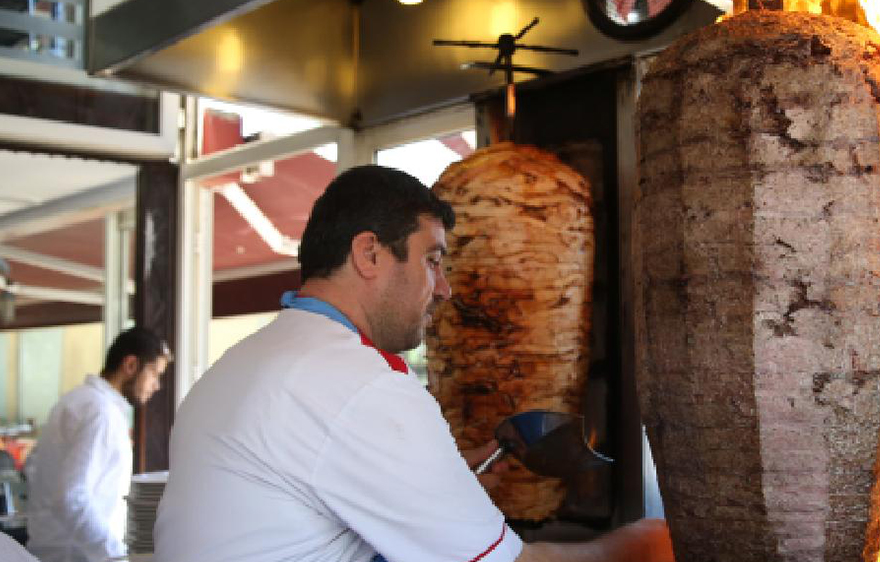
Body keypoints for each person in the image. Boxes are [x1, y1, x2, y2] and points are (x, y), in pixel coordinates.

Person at [155, 166, 673, 562]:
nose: (444, 289)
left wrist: (437, 479)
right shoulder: (359, 384)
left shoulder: (241, 363)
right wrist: (638, 544)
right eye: (432, 261)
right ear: (370, 255)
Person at [25, 326, 171, 562]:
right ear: (131, 365)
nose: (157, 385)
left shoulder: (75, 400)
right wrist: (115, 554)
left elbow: (33, 467)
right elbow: (71, 498)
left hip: (52, 551)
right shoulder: (100, 413)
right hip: (79, 556)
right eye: (154, 373)